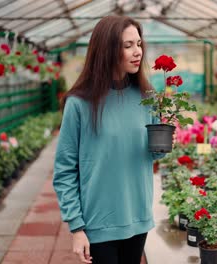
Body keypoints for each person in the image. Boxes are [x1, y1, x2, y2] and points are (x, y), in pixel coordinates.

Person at [53, 15, 165, 264]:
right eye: (128, 46)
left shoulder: (147, 97)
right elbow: (64, 170)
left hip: (138, 217)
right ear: (107, 50)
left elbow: (153, 154)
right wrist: (76, 227)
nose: (138, 52)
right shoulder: (79, 103)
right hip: (98, 223)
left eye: (139, 43)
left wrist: (165, 140)